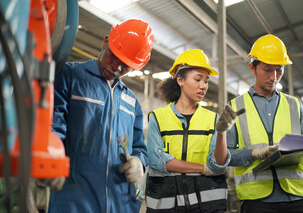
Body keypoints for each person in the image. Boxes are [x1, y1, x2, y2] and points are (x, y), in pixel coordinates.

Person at [224, 34, 303, 213]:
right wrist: (255, 154)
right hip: (256, 199)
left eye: (279, 70)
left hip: (298, 197)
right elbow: (226, 156)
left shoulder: (294, 104)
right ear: (252, 68)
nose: (274, 77)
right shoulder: (235, 107)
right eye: (267, 70)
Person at [49, 19, 154, 212]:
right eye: (114, 56)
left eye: (126, 66)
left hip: (120, 202)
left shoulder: (132, 103)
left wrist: (139, 161)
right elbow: (53, 126)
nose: (117, 67)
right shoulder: (71, 77)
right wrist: (51, 157)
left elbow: (139, 146)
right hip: (75, 200)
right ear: (106, 42)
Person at [146, 49, 240, 213]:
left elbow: (217, 165)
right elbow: (157, 160)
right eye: (198, 79)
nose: (203, 86)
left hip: (207, 206)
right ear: (180, 80)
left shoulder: (214, 120)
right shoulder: (158, 118)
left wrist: (222, 133)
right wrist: (202, 169)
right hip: (167, 205)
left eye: (206, 81)